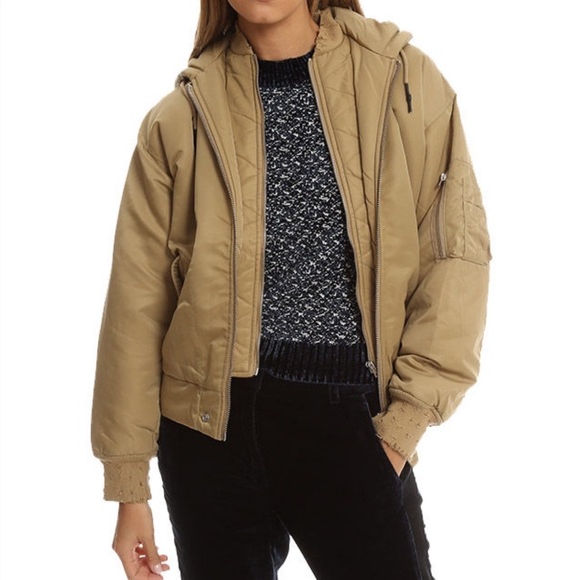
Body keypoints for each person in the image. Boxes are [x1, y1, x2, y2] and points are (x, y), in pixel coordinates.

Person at [91, 1, 490, 579]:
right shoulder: (180, 117)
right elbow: (137, 301)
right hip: (209, 431)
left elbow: (456, 256)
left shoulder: (400, 79)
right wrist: (129, 487)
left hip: (349, 419)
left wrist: (401, 429)